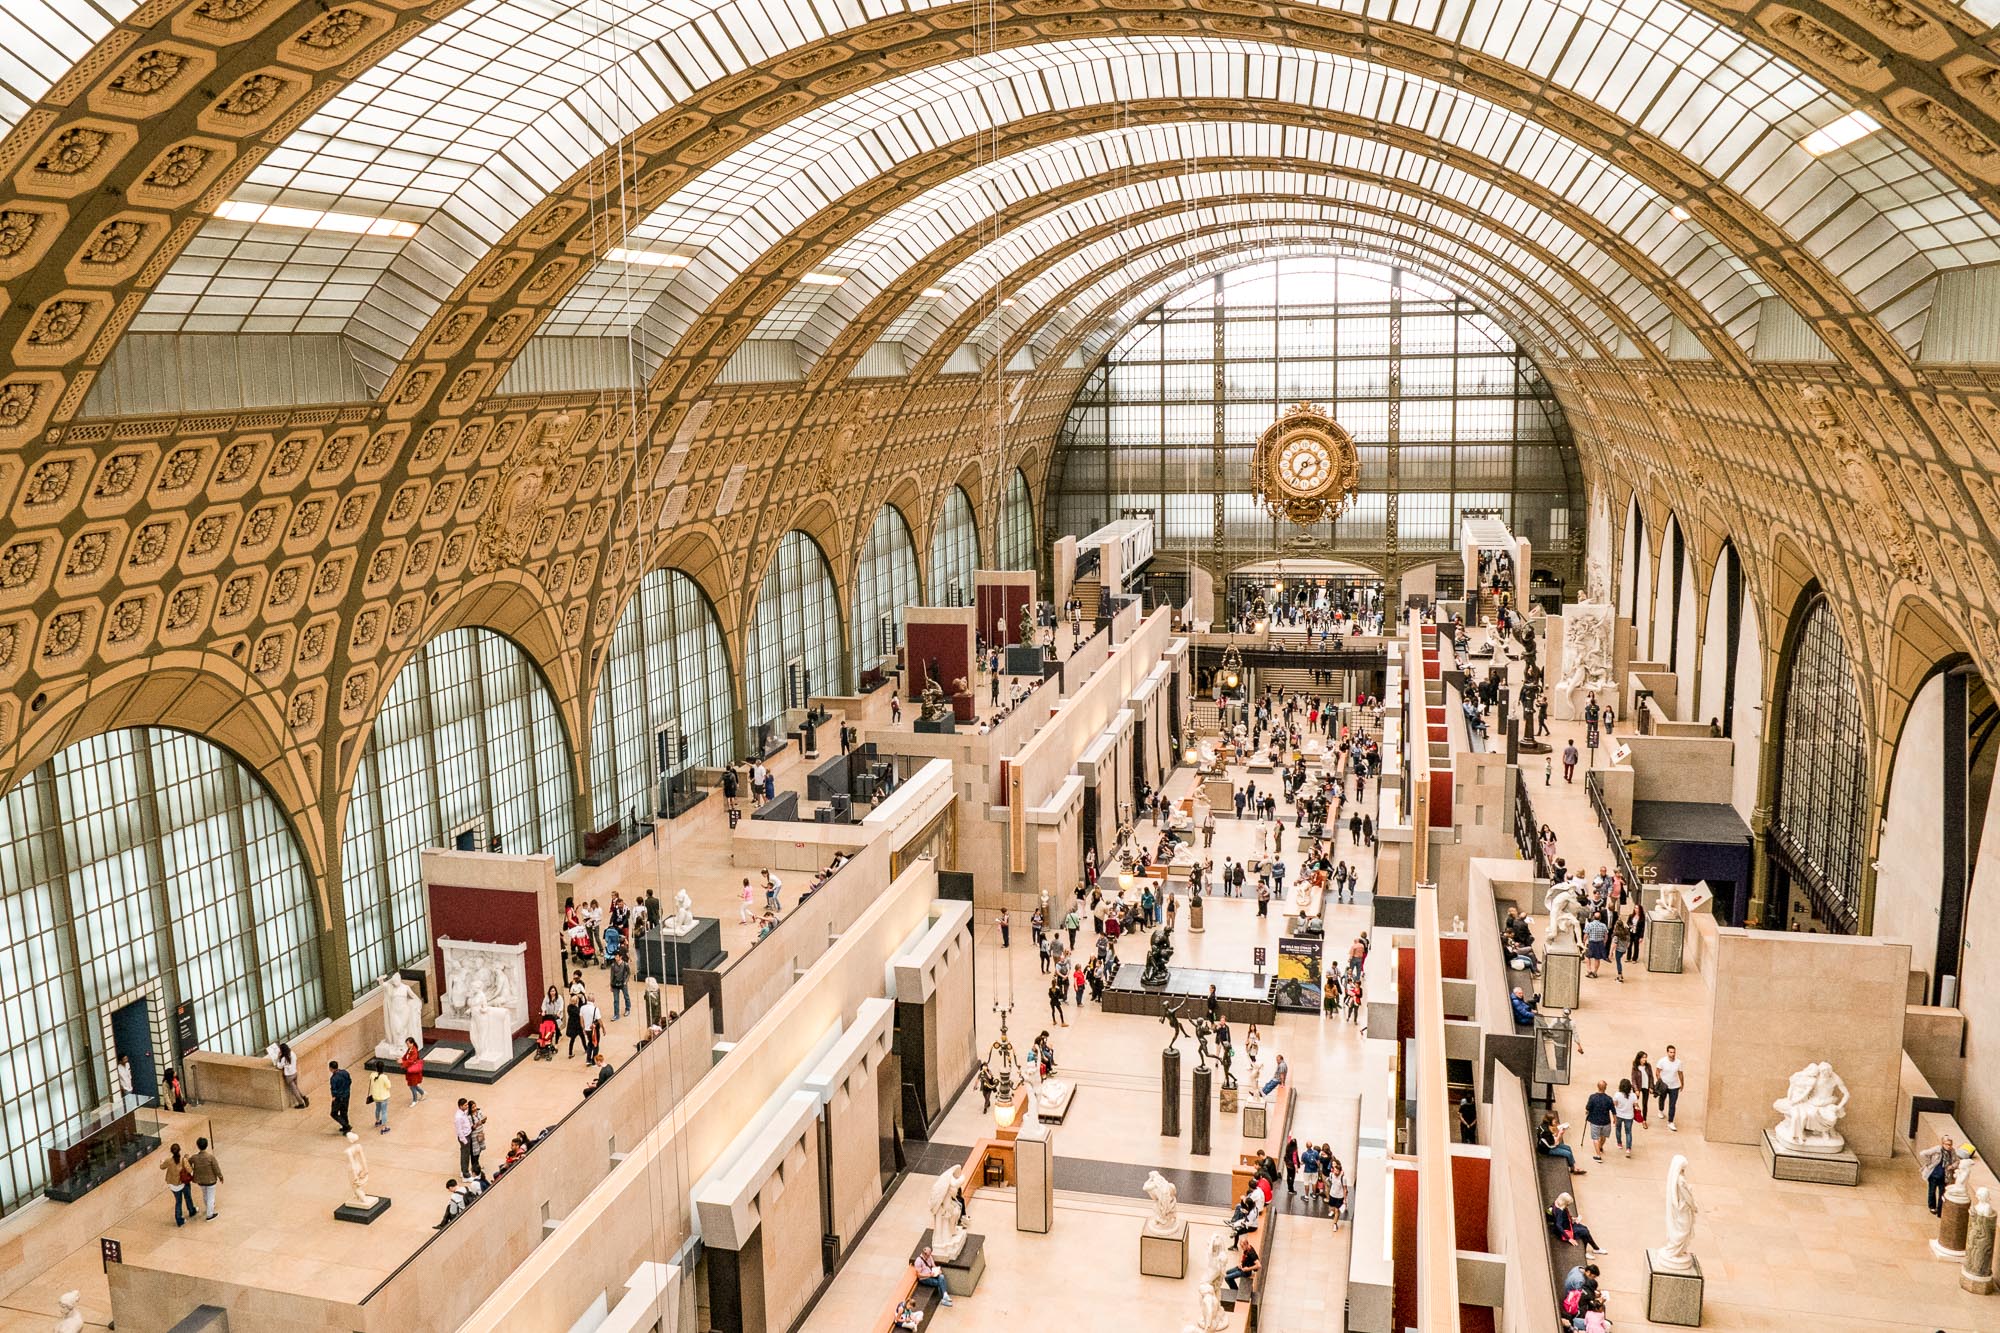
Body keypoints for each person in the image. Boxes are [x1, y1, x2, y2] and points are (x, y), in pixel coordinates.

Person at [161, 1142, 194, 1226]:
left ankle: (179, 1219)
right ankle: (191, 1210)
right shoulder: (183, 1160)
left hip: (173, 1185)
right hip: (183, 1183)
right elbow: (190, 1170)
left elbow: (162, 1167)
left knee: (178, 1201)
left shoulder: (168, 1161)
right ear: (180, 1150)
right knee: (188, 1197)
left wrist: (162, 1161)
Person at [189, 1137, 222, 1220]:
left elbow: (188, 1163)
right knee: (211, 1197)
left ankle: (208, 1207)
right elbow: (216, 1168)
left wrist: (192, 1171)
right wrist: (220, 1177)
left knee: (205, 1194)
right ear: (206, 1145)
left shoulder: (194, 1157)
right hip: (211, 1180)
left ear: (198, 1146)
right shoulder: (210, 1157)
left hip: (200, 1180)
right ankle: (209, 1214)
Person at [1583, 1080, 1615, 1162]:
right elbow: (1613, 1111)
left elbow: (1588, 1108)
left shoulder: (1592, 1097)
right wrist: (1615, 1119)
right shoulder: (1609, 1099)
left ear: (1598, 1087)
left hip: (1595, 1121)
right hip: (1606, 1122)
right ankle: (1600, 1147)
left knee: (1595, 1138)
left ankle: (1598, 1155)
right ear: (1605, 1088)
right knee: (1603, 1137)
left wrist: (1587, 1111)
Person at [1655, 1044, 1684, 1131]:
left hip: (1674, 1086)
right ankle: (1660, 1110)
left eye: (1674, 1052)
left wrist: (1682, 1084)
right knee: (1662, 1099)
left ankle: (1670, 1122)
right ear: (1667, 1052)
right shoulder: (1662, 1061)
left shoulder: (1679, 1062)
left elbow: (1680, 1073)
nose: (1672, 1054)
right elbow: (1657, 1072)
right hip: (1664, 1085)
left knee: (1672, 1104)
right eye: (1671, 1052)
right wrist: (1660, 1082)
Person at [271, 1041, 308, 1109]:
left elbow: (279, 1066)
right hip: (294, 1073)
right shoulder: (292, 1053)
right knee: (296, 1088)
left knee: (294, 1091)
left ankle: (301, 1103)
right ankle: (304, 1097)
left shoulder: (284, 1058)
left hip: (289, 1076)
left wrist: (278, 1058)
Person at [1612, 1078, 1637, 1156]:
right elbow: (1636, 1106)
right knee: (1628, 1132)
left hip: (1619, 1115)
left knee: (1618, 1129)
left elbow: (1614, 1105)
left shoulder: (1617, 1095)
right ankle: (1628, 1148)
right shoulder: (1633, 1095)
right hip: (1629, 1116)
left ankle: (1619, 1143)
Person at [327, 1060, 352, 1135]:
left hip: (339, 1097)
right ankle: (345, 1127)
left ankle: (346, 1126)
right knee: (344, 1111)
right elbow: (350, 1081)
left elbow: (334, 1089)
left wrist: (334, 1096)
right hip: (347, 1094)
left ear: (331, 1068)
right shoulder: (345, 1072)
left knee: (334, 1113)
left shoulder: (333, 1078)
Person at [401, 1036, 427, 1103]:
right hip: (410, 1071)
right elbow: (405, 1056)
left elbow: (411, 1061)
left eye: (408, 1043)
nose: (407, 1045)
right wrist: (401, 1059)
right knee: (413, 1085)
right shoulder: (409, 1049)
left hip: (413, 1072)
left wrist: (402, 1062)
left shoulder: (414, 1051)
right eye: (406, 1044)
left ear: (412, 1043)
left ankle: (415, 1100)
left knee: (412, 1086)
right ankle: (422, 1093)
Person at [369, 1066, 393, 1134]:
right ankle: (384, 1128)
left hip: (376, 1096)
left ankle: (377, 1121)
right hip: (383, 1097)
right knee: (384, 1112)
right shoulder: (384, 1077)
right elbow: (389, 1086)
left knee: (377, 1109)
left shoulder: (372, 1075)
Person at [609, 949, 631, 1020]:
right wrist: (611, 985)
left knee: (626, 996)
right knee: (616, 1000)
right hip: (615, 984)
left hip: (623, 983)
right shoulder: (613, 965)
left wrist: (626, 981)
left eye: (617, 957)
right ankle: (616, 1014)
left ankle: (627, 1009)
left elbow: (629, 973)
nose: (616, 958)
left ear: (620, 957)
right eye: (615, 957)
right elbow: (611, 976)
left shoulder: (625, 964)